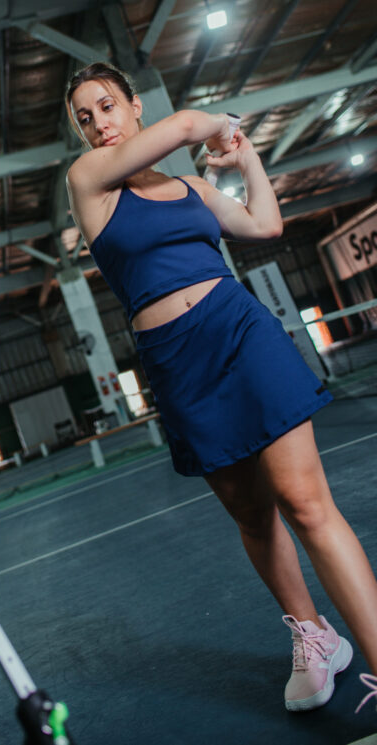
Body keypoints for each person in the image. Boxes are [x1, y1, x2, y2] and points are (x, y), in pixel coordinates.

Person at [64, 61, 377, 715]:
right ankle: (315, 637)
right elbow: (186, 124)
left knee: (305, 502)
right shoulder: (89, 182)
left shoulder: (191, 192)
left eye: (107, 106)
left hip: (238, 332)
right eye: (85, 117)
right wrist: (215, 128)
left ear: (134, 105)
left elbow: (265, 225)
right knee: (253, 516)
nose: (99, 123)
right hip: (177, 362)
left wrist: (247, 156)